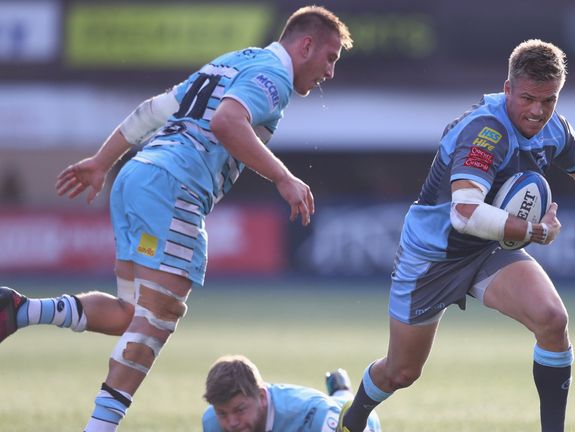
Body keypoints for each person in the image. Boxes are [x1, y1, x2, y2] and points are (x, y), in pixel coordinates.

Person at [0, 6, 352, 432]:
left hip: (138, 175)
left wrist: (102, 162)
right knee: (155, 323)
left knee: (131, 313)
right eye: (330, 58)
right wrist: (283, 177)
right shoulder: (274, 77)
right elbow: (226, 122)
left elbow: (154, 110)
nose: (330, 72)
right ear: (306, 45)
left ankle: (21, 311)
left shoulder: (233, 60)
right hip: (174, 187)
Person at [336, 39, 575, 432]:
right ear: (507, 89)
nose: (538, 111)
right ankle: (352, 419)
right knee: (401, 372)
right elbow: (466, 212)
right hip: (433, 257)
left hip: (487, 250)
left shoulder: (554, 128)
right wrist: (534, 231)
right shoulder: (486, 133)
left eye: (549, 99)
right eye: (528, 98)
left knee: (552, 319)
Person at [202, 355, 382, 432]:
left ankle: (341, 389)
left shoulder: (313, 415)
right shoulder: (212, 421)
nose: (232, 423)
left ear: (262, 397)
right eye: (222, 413)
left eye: (240, 410)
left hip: (347, 415)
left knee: (343, 402)